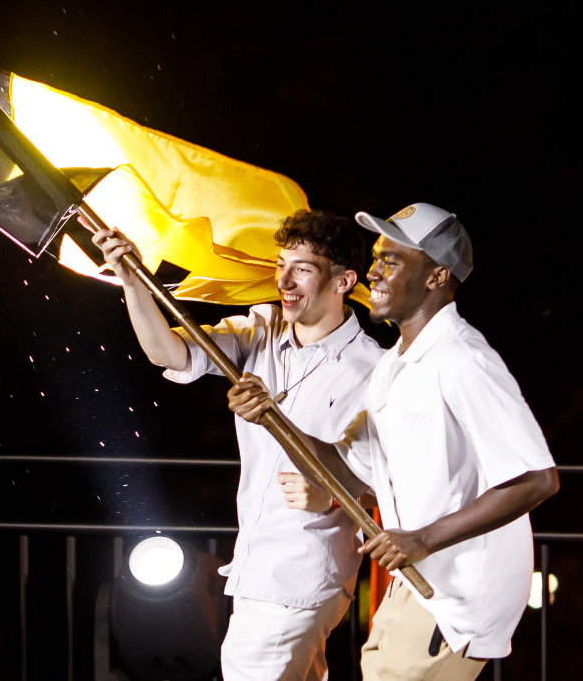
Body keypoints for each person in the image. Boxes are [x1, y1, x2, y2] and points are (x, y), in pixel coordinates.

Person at [228, 203, 559, 681]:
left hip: (459, 593)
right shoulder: (394, 366)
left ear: (436, 276)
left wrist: (421, 539)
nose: (374, 273)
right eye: (377, 258)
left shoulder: (462, 360)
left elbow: (536, 479)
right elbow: (345, 468)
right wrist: (272, 417)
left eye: (392, 261)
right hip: (418, 581)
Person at [92, 209, 383, 681]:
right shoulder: (260, 329)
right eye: (280, 264)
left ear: (344, 280)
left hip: (301, 576)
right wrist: (131, 280)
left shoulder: (376, 370)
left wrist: (331, 493)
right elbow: (167, 352)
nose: (284, 281)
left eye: (303, 269)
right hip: (254, 566)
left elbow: (388, 475)